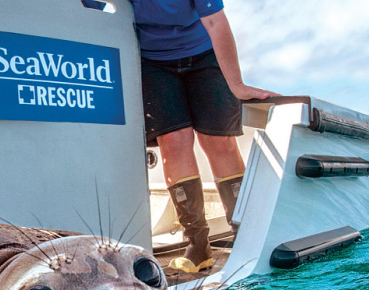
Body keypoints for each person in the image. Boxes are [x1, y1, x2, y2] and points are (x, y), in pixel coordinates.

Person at [85, 0, 278, 273]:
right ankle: (197, 244)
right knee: (173, 142)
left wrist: (236, 85)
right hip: (151, 62)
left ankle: (245, 236)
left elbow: (215, 21)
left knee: (218, 140)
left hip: (204, 55)